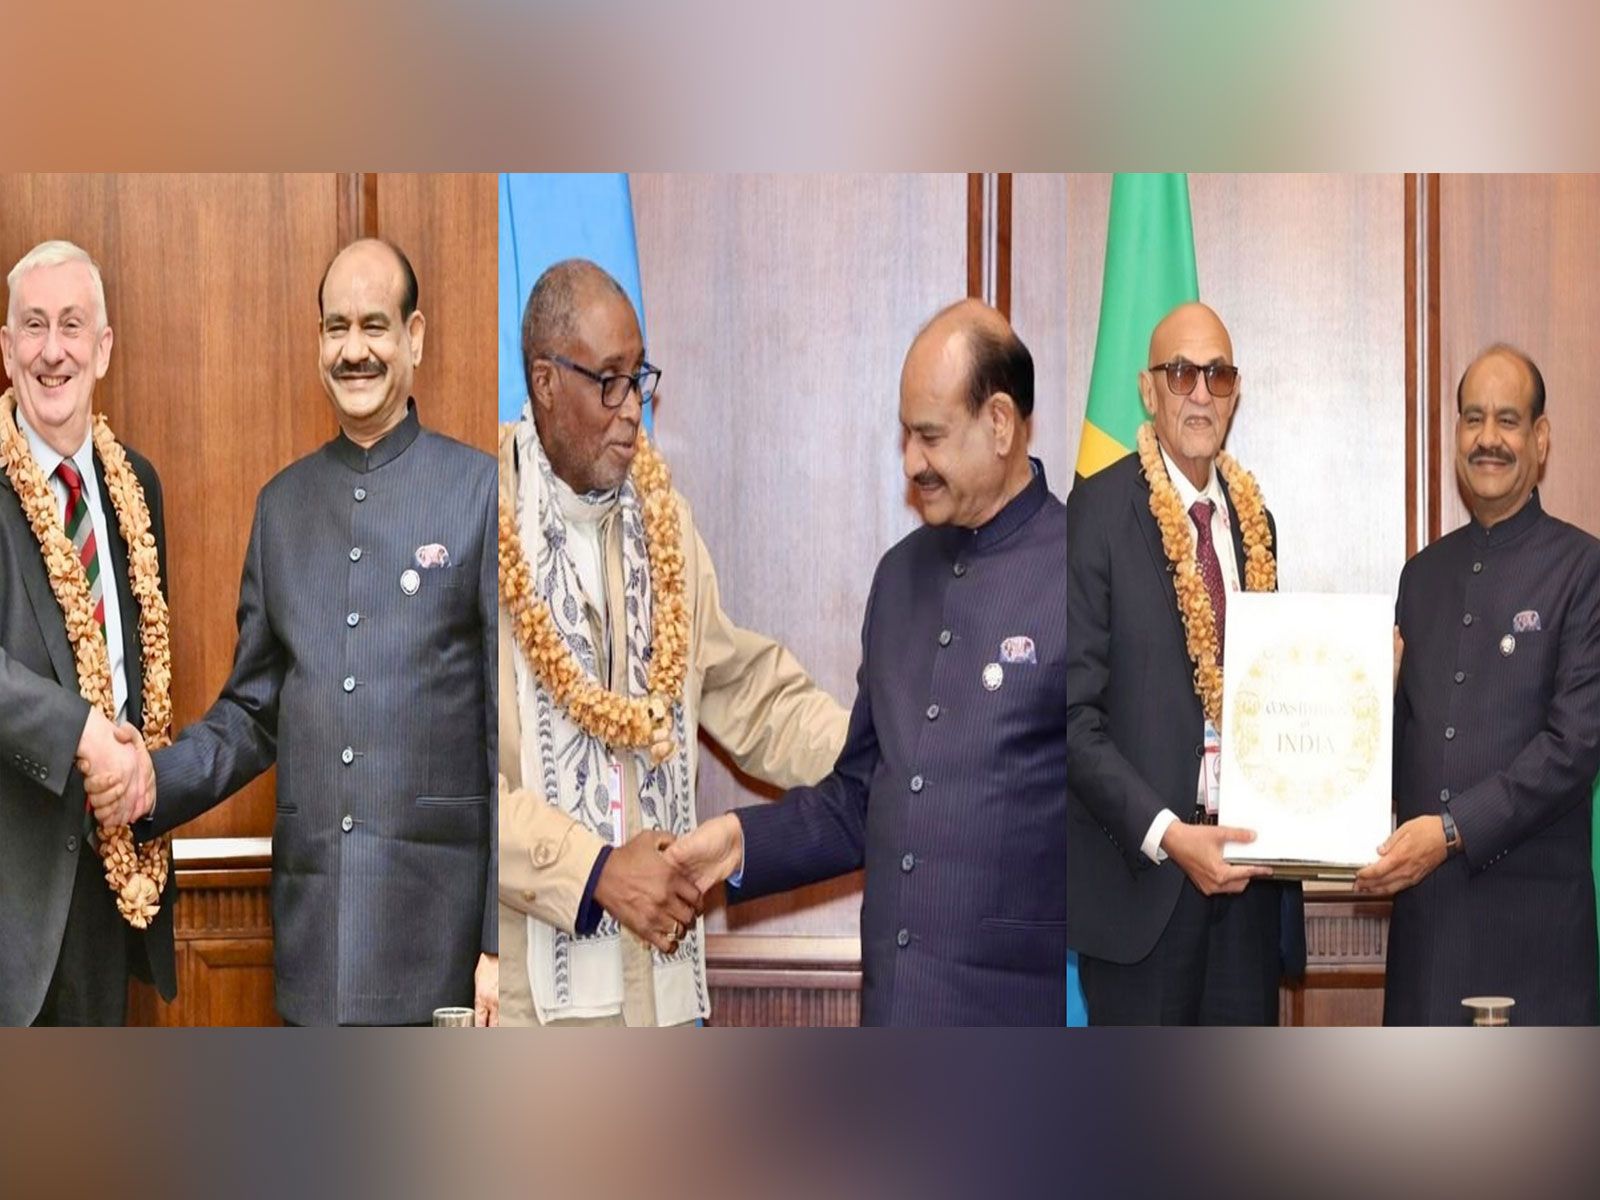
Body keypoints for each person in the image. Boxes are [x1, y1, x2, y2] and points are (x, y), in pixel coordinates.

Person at [88, 239, 498, 1026]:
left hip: (442, 949)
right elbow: (254, 710)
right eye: (335, 327)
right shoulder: (283, 507)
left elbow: (506, 743)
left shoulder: (480, 493)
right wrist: (150, 782)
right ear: (317, 342)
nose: (354, 350)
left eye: (374, 327)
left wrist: (500, 946)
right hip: (314, 942)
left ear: (415, 337)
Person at [667, 299, 1077, 1026]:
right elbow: (863, 795)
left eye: (929, 437)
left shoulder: (1085, 573)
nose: (911, 461)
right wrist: (739, 843)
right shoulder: (900, 577)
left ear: (1002, 424)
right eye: (905, 437)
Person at [497, 258, 847, 1027]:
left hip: (662, 988)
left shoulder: (664, 523)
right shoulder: (476, 516)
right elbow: (450, 782)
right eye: (609, 381)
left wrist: (891, 758)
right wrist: (594, 872)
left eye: (640, 378)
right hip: (536, 997)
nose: (632, 412)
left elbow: (742, 691)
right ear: (546, 381)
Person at [1060, 300, 1302, 1025]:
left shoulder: (1256, 520)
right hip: (1143, 889)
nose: (1201, 391)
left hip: (1250, 886)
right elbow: (1072, 718)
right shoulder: (1096, 514)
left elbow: (1274, 695)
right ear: (1147, 388)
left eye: (1218, 374)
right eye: (1182, 372)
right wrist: (1169, 833)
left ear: (1236, 391)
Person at [1358, 345, 1600, 1025]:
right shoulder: (1421, 576)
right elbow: (1398, 746)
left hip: (1534, 936)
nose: (1488, 438)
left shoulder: (1584, 571)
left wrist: (1455, 829)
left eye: (1508, 420)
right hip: (1427, 934)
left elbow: (1575, 745)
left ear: (1541, 439)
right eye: (1472, 419)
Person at [0, 239, 176, 1025]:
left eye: (72, 325)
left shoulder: (138, 486)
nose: (51, 350)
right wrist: (82, 735)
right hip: (12, 901)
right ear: (6, 350)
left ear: (102, 348)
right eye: (32, 326)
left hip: (111, 894)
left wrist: (134, 758)